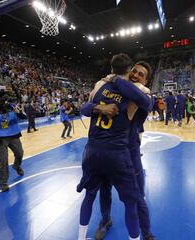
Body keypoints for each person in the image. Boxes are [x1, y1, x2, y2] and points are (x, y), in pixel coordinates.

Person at [77, 54, 151, 240]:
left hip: (130, 150)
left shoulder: (141, 92)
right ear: (129, 70)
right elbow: (85, 108)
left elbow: (146, 102)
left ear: (145, 80)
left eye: (140, 74)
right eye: (134, 71)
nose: (135, 75)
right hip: (110, 150)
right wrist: (99, 107)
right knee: (105, 190)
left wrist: (115, 76)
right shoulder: (105, 85)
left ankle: (147, 233)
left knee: (138, 197)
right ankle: (105, 220)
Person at [0, 95, 24, 192]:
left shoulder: (13, 107)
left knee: (20, 153)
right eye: (4, 101)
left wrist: (18, 112)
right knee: (3, 160)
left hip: (14, 134)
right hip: (0, 137)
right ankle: (3, 183)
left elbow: (24, 116)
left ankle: (16, 165)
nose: (6, 103)